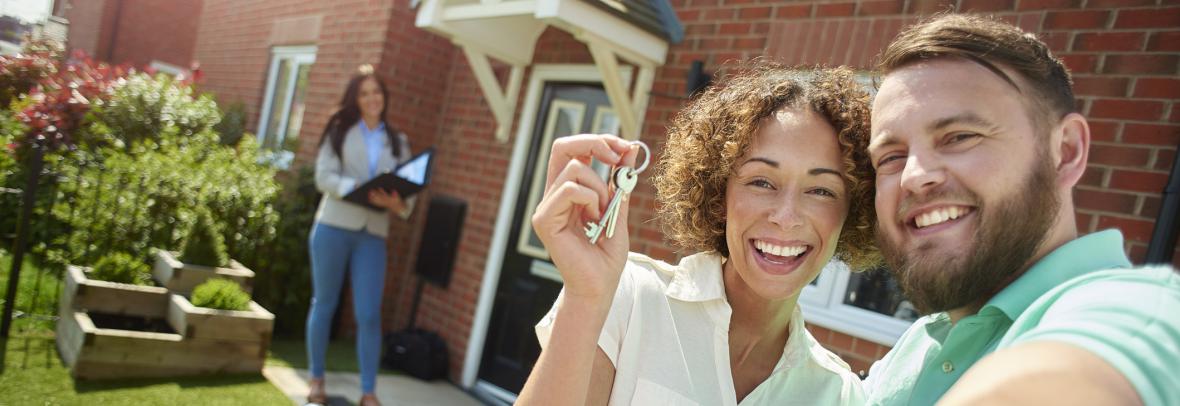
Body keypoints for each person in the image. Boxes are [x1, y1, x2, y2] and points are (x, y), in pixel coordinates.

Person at [517, 64, 880, 405]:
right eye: (761, 182)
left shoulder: (837, 393)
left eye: (821, 191)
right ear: (719, 195)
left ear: (851, 212)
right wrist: (585, 296)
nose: (786, 217)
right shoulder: (627, 299)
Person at [863, 14, 1180, 405]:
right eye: (891, 157)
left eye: (960, 137)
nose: (913, 176)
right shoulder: (925, 336)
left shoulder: (1146, 312)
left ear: (1065, 152)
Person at [306, 65, 414, 406]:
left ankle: (369, 391)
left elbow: (407, 200)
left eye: (377, 92)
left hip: (373, 233)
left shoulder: (398, 142)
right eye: (365, 93)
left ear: (385, 97)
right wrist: (355, 188)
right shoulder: (339, 130)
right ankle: (316, 380)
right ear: (356, 98)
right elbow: (323, 177)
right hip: (333, 227)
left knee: (368, 313)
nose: (372, 98)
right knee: (324, 304)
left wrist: (395, 204)